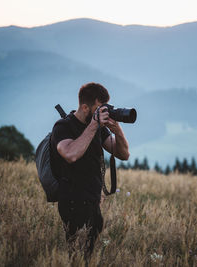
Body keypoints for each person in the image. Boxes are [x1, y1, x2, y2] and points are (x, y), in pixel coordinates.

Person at [49, 82, 130, 258]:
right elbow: (70, 154)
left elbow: (123, 154)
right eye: (99, 109)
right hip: (72, 201)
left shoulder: (99, 129)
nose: (103, 113)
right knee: (77, 254)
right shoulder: (63, 127)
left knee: (88, 253)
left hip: (92, 201)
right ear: (85, 107)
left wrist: (117, 129)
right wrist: (94, 125)